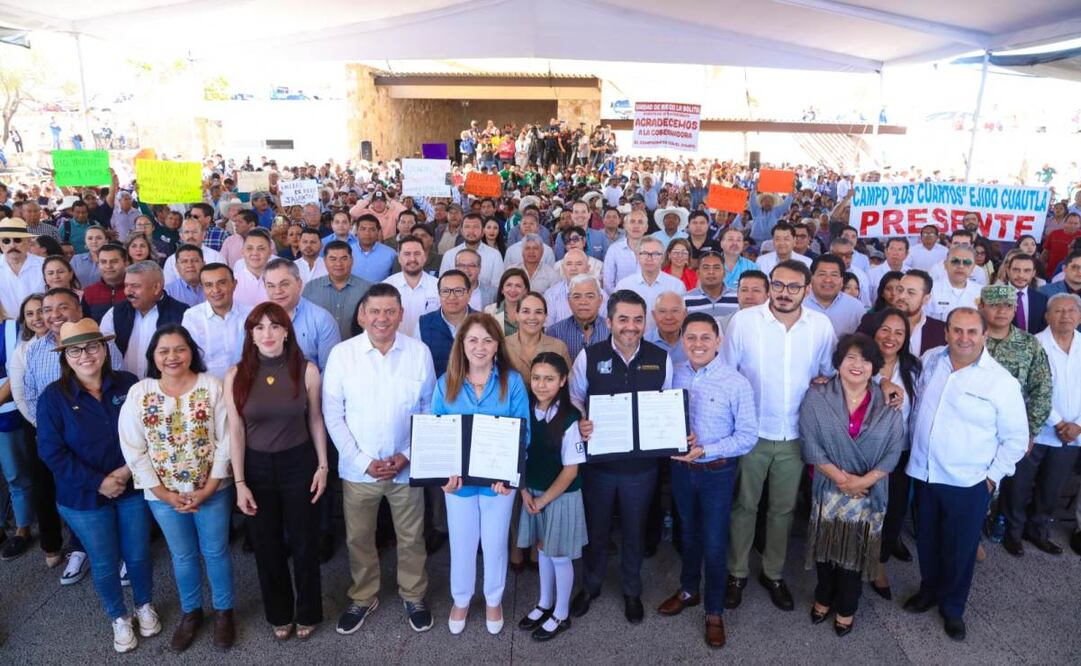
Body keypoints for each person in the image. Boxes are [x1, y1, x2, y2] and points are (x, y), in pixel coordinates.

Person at [904, 308, 1028, 641]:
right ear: (946, 332)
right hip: (925, 473)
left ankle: (953, 608)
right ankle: (928, 590)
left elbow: (1016, 439)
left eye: (972, 331)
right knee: (927, 540)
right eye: (957, 330)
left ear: (985, 335)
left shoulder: (1000, 381)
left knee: (960, 549)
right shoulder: (931, 359)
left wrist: (992, 477)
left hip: (968, 482)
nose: (964, 338)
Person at [35, 318, 159, 653]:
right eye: (75, 350)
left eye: (92, 346)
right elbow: (51, 452)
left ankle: (144, 605)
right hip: (82, 497)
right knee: (103, 561)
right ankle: (119, 617)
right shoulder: (52, 398)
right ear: (65, 357)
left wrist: (125, 473)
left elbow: (150, 433)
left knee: (137, 554)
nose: (85, 355)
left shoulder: (129, 384)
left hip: (131, 487)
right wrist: (99, 482)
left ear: (104, 349)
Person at [722, 260, 837, 613]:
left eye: (793, 287)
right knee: (744, 506)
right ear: (770, 285)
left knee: (783, 510)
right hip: (751, 433)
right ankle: (737, 573)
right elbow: (726, 374)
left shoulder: (820, 325)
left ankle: (773, 573)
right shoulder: (744, 321)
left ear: (807, 289)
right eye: (778, 285)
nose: (784, 293)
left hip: (795, 434)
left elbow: (829, 373)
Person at [322, 284, 436, 635]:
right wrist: (362, 460)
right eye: (374, 311)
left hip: (406, 467)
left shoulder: (419, 353)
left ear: (401, 315)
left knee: (412, 537)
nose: (382, 318)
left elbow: (430, 410)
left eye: (389, 311)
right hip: (360, 469)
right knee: (359, 538)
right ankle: (363, 596)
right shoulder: (342, 354)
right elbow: (333, 415)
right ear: (362, 315)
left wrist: (408, 455)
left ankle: (413, 595)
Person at [118, 324, 235, 652]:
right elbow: (134, 449)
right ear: (153, 356)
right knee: (182, 555)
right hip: (162, 495)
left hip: (213, 490)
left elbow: (226, 440)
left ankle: (224, 613)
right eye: (164, 351)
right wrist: (165, 494)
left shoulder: (212, 386)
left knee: (216, 552)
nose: (172, 357)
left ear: (191, 353)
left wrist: (208, 488)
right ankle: (191, 612)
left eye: (180, 349)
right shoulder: (140, 393)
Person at [225, 302, 330, 640]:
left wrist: (323, 465)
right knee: (266, 545)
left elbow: (316, 420)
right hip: (256, 468)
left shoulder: (307, 370)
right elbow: (236, 431)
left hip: (299, 463)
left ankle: (309, 611)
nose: (267, 333)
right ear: (251, 335)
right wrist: (239, 482)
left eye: (274, 326)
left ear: (287, 331)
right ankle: (279, 613)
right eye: (259, 327)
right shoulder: (235, 374)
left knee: (304, 543)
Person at [569, 290, 673, 624]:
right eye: (623, 319)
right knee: (596, 529)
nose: (631, 326)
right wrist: (581, 420)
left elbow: (667, 404)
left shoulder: (661, 357)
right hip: (599, 465)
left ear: (646, 322)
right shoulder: (589, 356)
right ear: (609, 321)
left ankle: (631, 589)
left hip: (641, 467)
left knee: (634, 529)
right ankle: (591, 585)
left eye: (638, 320)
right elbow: (575, 397)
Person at [655, 312, 757, 648]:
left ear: (718, 341)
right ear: (682, 341)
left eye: (705, 338)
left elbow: (747, 436)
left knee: (714, 543)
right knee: (687, 534)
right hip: (682, 471)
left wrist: (706, 449)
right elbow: (660, 416)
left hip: (717, 472)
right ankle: (688, 590)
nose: (697, 344)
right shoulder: (674, 374)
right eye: (691, 338)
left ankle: (714, 611)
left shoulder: (736, 382)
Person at [800, 333, 904, 636]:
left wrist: (863, 482)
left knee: (854, 555)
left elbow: (893, 451)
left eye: (866, 359)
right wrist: (844, 480)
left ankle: (847, 606)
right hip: (827, 486)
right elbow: (809, 443)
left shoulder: (888, 402)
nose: (857, 365)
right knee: (826, 547)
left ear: (875, 367)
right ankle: (823, 595)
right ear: (838, 363)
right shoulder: (818, 396)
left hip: (869, 492)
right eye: (851, 358)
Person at [433, 313, 529, 635]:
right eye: (473, 339)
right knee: (462, 544)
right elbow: (436, 432)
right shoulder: (446, 382)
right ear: (461, 344)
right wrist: (442, 477)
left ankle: (493, 600)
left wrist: (510, 475)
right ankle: (461, 599)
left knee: (495, 543)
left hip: (497, 484)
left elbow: (523, 433)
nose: (480, 347)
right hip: (458, 485)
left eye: (488, 340)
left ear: (497, 345)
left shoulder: (512, 382)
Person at [516, 352, 589, 642]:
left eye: (549, 379)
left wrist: (543, 500)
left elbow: (571, 471)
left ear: (562, 381)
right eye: (536, 378)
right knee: (543, 549)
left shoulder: (570, 417)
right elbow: (517, 456)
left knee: (558, 555)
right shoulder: (525, 410)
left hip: (559, 496)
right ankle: (544, 603)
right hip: (532, 492)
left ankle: (561, 613)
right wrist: (524, 492)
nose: (541, 384)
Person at [976, 286, 1052, 556]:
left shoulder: (1029, 344)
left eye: (1007, 306)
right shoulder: (972, 339)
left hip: (1011, 431)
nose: (1002, 311)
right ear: (982, 306)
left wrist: (1031, 431)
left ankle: (1007, 530)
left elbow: (1042, 389)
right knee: (975, 484)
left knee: (1013, 485)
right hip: (974, 430)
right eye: (995, 305)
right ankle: (973, 535)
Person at [1006, 293, 1081, 556]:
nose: (1065, 316)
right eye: (1058, 311)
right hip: (1036, 430)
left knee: (1052, 488)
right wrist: (1058, 421)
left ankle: (1038, 530)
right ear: (1047, 316)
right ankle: (1013, 533)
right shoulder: (1033, 344)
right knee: (1019, 485)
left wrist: (1078, 425)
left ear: (1079, 316)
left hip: (1072, 435)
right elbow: (1027, 389)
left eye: (1071, 311)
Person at [865, 308, 922, 597]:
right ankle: (852, 558)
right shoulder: (859, 361)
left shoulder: (913, 367)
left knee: (893, 512)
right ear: (874, 330)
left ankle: (879, 563)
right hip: (862, 454)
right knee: (863, 510)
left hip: (900, 453)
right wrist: (881, 381)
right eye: (885, 330)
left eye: (899, 333)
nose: (891, 337)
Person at [101, 261, 188, 378]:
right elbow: (104, 353)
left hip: (167, 384)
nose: (128, 291)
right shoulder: (114, 313)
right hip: (125, 386)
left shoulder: (183, 314)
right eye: (126, 285)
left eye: (135, 286)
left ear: (156, 287)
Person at [0, 302, 35, 561]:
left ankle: (23, 528)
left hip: (7, 411)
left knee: (15, 473)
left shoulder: (12, 328)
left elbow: (17, 371)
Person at [263, 258, 341, 372]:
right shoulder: (257, 319)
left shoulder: (322, 320)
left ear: (299, 283)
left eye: (284, 284)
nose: (278, 291)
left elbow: (330, 371)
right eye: (271, 286)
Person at [181, 263, 252, 380]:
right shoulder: (192, 317)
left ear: (234, 284)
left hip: (246, 382)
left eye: (222, 283)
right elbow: (188, 357)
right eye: (208, 285)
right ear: (202, 288)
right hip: (207, 386)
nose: (216, 290)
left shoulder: (251, 314)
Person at [301, 243, 371, 342]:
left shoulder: (367, 289)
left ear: (352, 260)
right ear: (325, 261)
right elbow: (303, 321)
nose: (338, 264)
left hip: (355, 347)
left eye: (343, 259)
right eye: (333, 259)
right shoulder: (311, 288)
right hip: (319, 348)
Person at [615, 236, 686, 332]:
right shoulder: (624, 285)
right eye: (644, 253)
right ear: (637, 256)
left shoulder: (676, 286)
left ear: (663, 257)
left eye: (655, 254)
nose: (650, 258)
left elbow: (681, 319)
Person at [504, 292, 572, 379]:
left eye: (538, 312)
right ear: (516, 315)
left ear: (545, 317)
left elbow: (568, 382)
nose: (532, 317)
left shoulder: (559, 348)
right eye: (526, 311)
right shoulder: (503, 346)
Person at [419, 270, 473, 378]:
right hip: (437, 387)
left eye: (458, 291)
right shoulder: (423, 323)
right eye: (445, 291)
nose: (452, 297)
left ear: (469, 293)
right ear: (439, 294)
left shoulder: (483, 322)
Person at [383, 235, 440, 337]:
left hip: (429, 345)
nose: (412, 259)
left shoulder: (439, 286)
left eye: (417, 254)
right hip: (396, 345)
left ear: (425, 257)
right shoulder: (386, 287)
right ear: (399, 258)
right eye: (407, 254)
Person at [440, 213, 505, 292]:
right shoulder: (449, 255)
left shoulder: (494, 255)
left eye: (476, 227)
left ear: (483, 231)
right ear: (461, 231)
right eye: (467, 227)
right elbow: (443, 285)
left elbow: (497, 287)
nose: (471, 231)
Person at [805, 254, 865, 336]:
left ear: (842, 280)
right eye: (822, 274)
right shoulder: (800, 303)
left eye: (834, 275)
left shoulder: (856, 308)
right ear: (811, 278)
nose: (828, 280)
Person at [0, 218, 46, 318]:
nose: (12, 245)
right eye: (6, 241)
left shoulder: (44, 265)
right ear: (1, 245)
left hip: (40, 322)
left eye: (17, 240)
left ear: (28, 241)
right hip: (5, 324)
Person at [162, 218, 224, 285]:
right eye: (187, 232)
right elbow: (169, 288)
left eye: (195, 232)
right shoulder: (171, 260)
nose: (191, 236)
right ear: (181, 236)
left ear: (203, 235)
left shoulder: (216, 257)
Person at [928, 245, 982, 321]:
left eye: (967, 262)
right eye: (955, 261)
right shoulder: (930, 289)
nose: (961, 266)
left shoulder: (981, 292)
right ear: (945, 265)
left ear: (973, 267)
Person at [603, 209, 650, 293]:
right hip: (620, 298)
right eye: (632, 222)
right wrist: (619, 298)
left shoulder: (653, 250)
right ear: (625, 226)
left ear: (646, 228)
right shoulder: (614, 249)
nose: (636, 226)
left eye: (640, 222)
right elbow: (608, 283)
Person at [1002, 253, 1048, 334]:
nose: (1021, 275)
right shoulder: (995, 296)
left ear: (1033, 273)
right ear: (1008, 271)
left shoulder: (1042, 299)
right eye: (1016, 270)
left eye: (1027, 271)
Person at [81, 244, 129, 322]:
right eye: (103, 262)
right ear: (98, 264)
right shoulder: (89, 293)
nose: (108, 266)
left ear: (126, 263)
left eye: (114, 261)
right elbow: (86, 323)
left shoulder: (135, 290)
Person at [645, 291, 689, 367]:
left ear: (685, 313)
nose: (669, 317)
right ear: (654, 315)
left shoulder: (695, 342)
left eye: (675, 311)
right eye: (662, 311)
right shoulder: (643, 343)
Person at [232, 228, 274, 306]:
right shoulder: (232, 281)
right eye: (249, 248)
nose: (255, 253)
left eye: (261, 249)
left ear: (270, 253)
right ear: (242, 252)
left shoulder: (279, 280)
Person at [352, 214, 397, 284]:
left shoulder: (391, 254)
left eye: (372, 229)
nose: (367, 233)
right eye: (363, 229)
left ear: (378, 232)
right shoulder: (347, 251)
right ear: (356, 231)